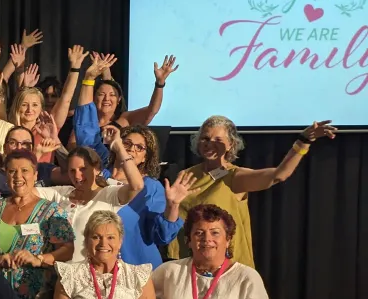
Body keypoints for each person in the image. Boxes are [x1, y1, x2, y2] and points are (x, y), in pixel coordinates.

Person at [167, 116, 336, 268]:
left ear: (230, 144)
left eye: (217, 139)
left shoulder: (235, 176)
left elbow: (279, 175)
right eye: (205, 138)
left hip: (224, 268)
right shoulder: (187, 174)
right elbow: (174, 216)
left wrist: (303, 141)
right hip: (187, 263)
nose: (209, 143)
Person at [0, 150, 74, 299]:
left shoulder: (52, 211)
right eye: (12, 171)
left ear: (35, 175)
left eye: (24, 171)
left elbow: (67, 250)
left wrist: (39, 259)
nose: (18, 176)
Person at [35, 141, 144, 263]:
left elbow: (137, 185)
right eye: (72, 171)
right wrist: (37, 154)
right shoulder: (61, 193)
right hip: (63, 274)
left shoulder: (109, 194)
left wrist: (119, 148)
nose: (77, 176)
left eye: (83, 169)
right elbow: (28, 191)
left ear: (97, 168)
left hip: (92, 274)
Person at [104, 125, 192, 267]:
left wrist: (173, 205)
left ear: (145, 158)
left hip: (136, 267)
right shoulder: (99, 176)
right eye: (127, 143)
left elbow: (162, 236)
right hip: (97, 267)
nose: (132, 149)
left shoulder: (150, 187)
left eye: (140, 147)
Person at [73, 52, 176, 163]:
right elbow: (75, 147)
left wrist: (160, 84)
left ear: (119, 100)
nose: (107, 98)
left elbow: (152, 110)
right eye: (101, 94)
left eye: (112, 95)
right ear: (93, 98)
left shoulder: (125, 119)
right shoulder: (85, 122)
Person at [0, 127, 58, 200]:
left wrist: (56, 142)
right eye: (12, 143)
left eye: (25, 143)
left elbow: (69, 174)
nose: (19, 147)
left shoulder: (44, 169)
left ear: (32, 148)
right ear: (5, 148)